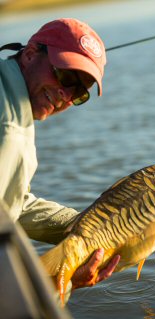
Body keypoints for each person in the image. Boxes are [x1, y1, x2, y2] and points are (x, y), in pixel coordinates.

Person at [0, 18, 120, 301]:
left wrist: (90, 229)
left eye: (80, 91)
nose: (66, 95)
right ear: (30, 54)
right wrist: (63, 281)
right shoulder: (11, 132)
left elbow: (11, 204)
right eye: (65, 75)